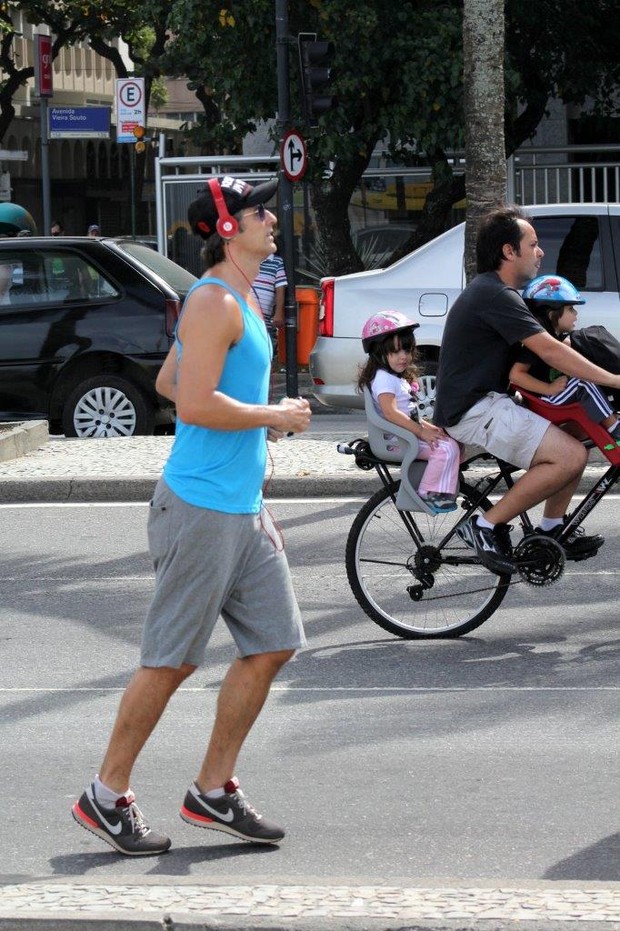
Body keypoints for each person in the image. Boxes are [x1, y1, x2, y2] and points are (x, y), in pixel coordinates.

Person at [71, 174, 311, 856]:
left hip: (238, 509)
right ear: (228, 227)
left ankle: (212, 787)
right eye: (259, 210)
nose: (272, 218)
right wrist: (273, 416)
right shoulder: (214, 301)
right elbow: (194, 403)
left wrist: (256, 494)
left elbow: (170, 378)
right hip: (199, 507)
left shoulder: (237, 297)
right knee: (171, 660)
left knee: (272, 642)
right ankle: (106, 793)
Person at [433, 204, 620, 575]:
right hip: (475, 410)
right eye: (532, 244)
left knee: (575, 436)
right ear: (508, 251)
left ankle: (553, 528)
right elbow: (550, 350)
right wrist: (613, 380)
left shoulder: (498, 293)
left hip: (489, 404)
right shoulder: (494, 294)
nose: (541, 251)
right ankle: (485, 524)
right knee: (569, 456)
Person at [358, 311, 460, 511]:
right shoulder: (384, 379)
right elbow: (391, 413)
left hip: (404, 435)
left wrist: (430, 428)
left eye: (407, 350)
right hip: (397, 441)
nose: (403, 357)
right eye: (395, 352)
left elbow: (411, 414)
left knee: (451, 443)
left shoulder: (392, 378)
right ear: (379, 352)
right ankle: (428, 494)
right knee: (445, 449)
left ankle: (444, 487)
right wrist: (422, 432)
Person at [509, 274, 620, 444]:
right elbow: (516, 374)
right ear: (552, 312)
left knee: (587, 376)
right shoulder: (539, 340)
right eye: (570, 309)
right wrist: (548, 388)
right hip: (544, 401)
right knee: (584, 382)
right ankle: (615, 428)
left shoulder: (554, 336)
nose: (576, 314)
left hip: (555, 395)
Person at [252, 249, 287, 350]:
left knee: (263, 346)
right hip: (245, 314)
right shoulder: (247, 259)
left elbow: (280, 287)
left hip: (264, 318)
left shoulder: (276, 262)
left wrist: (278, 312)